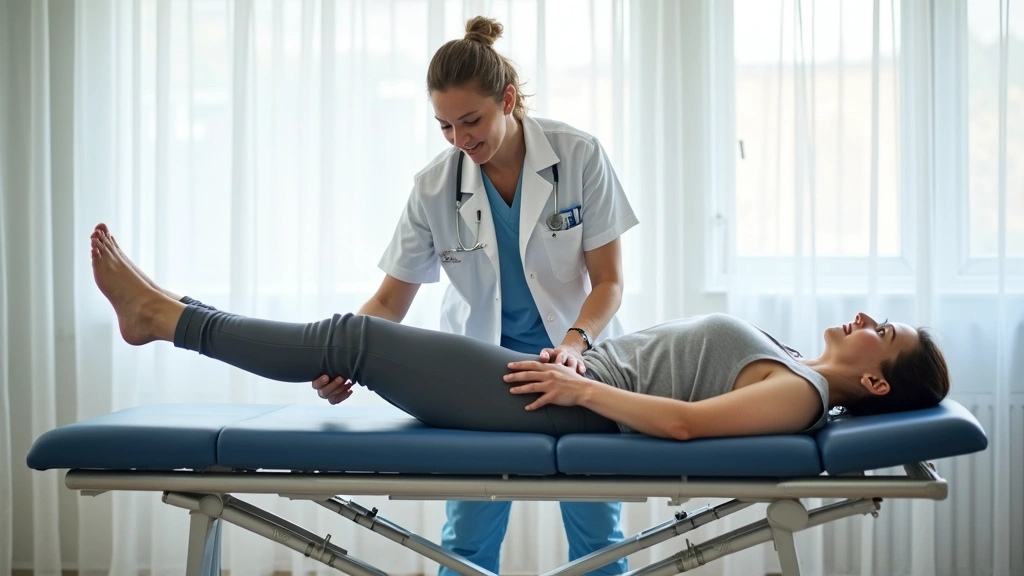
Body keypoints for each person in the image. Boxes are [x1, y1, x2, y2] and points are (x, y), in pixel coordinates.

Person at [91, 222, 949, 443]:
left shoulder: (798, 395)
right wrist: (575, 369)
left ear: (876, 380)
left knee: (352, 340)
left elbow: (684, 422)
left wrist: (580, 386)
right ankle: (164, 307)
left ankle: (163, 319)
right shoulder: (795, 365)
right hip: (553, 383)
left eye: (886, 330)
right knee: (351, 336)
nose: (868, 317)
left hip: (555, 404)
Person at [307, 15, 638, 575]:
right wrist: (342, 354)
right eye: (444, 127)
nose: (461, 141)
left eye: (471, 121)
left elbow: (609, 281)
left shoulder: (579, 155)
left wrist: (577, 344)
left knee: (598, 535)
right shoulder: (434, 186)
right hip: (481, 373)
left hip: (575, 364)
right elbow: (390, 300)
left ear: (507, 100)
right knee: (466, 538)